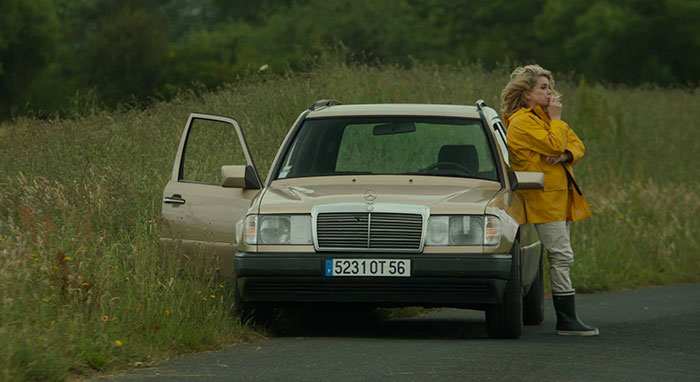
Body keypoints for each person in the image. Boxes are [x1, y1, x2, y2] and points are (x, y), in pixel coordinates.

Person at [501, 64, 598, 336]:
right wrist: (557, 122)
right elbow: (556, 143)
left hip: (560, 198)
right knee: (561, 255)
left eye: (550, 87)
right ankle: (567, 320)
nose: (550, 93)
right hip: (543, 200)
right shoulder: (522, 122)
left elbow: (577, 145)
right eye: (543, 88)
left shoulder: (545, 119)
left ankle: (567, 318)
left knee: (560, 255)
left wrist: (566, 155)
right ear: (527, 93)